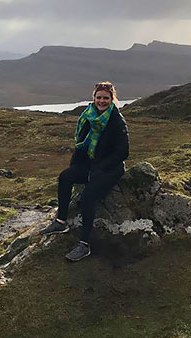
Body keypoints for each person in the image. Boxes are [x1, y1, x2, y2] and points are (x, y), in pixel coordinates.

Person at [40, 81, 129, 262]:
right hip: (90, 164)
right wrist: (75, 168)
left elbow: (123, 152)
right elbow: (81, 145)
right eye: (99, 98)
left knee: (88, 196)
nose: (102, 101)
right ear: (94, 98)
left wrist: (99, 168)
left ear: (112, 99)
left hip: (110, 168)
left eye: (106, 98)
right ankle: (61, 222)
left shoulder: (116, 120)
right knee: (65, 177)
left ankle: (84, 244)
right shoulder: (88, 116)